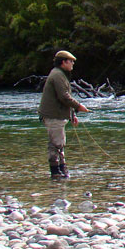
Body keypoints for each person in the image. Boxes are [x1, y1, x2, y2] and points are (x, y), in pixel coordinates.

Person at [38, 50, 91, 178]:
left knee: (60, 143)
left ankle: (61, 171)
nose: (72, 63)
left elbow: (65, 98)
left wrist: (73, 115)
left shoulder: (60, 74)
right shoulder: (57, 75)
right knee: (56, 144)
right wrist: (79, 106)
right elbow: (64, 97)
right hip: (53, 116)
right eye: (70, 61)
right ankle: (56, 173)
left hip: (57, 115)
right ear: (63, 62)